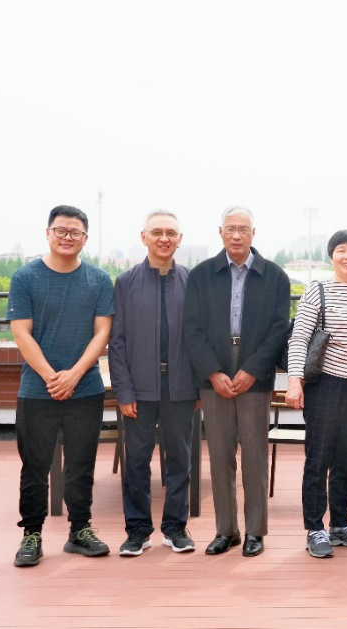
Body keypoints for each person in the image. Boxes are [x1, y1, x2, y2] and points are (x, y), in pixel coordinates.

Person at [9, 205, 114, 567]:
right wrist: (51, 376)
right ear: (48, 233)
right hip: (36, 390)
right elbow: (21, 333)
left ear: (85, 238)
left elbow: (102, 332)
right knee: (34, 466)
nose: (67, 237)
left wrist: (74, 374)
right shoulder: (25, 278)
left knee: (81, 464)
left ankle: (80, 530)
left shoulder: (99, 280)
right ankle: (31, 535)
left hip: (85, 388)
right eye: (61, 230)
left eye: (75, 232)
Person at [183, 206, 290, 558]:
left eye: (243, 228)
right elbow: (192, 329)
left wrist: (254, 369)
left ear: (253, 233)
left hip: (254, 370)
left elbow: (279, 329)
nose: (237, 235)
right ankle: (225, 530)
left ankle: (255, 531)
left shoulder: (274, 276)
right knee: (219, 454)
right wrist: (212, 372)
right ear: (220, 232)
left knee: (255, 455)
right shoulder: (201, 275)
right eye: (230, 228)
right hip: (214, 370)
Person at [109, 210, 198, 557]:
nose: (164, 238)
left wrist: (198, 386)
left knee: (180, 460)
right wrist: (124, 390)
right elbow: (116, 342)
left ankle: (175, 527)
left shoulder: (192, 281)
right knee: (136, 462)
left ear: (179, 239)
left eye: (171, 233)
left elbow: (201, 337)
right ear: (143, 236)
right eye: (157, 232)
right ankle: (137, 530)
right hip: (139, 387)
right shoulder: (126, 282)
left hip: (181, 386)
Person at [286, 230, 347, 559]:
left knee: (345, 460)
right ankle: (315, 528)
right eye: (341, 250)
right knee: (318, 459)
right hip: (324, 384)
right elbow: (299, 338)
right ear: (331, 256)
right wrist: (294, 381)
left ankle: (340, 525)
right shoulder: (318, 289)